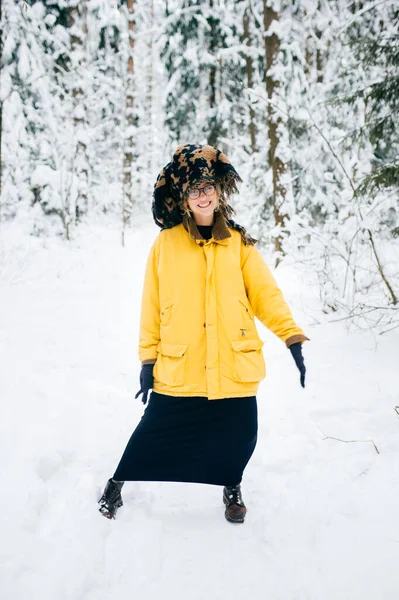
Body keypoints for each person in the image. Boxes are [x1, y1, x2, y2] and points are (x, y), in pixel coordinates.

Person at [98, 144, 308, 523]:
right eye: (194, 189)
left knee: (239, 435)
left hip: (232, 362)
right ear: (183, 196)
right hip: (182, 363)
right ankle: (117, 482)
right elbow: (152, 305)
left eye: (208, 186)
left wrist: (291, 336)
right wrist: (148, 359)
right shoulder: (166, 244)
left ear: (218, 190)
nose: (203, 195)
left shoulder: (238, 244)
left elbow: (266, 295)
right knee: (154, 431)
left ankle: (232, 487)